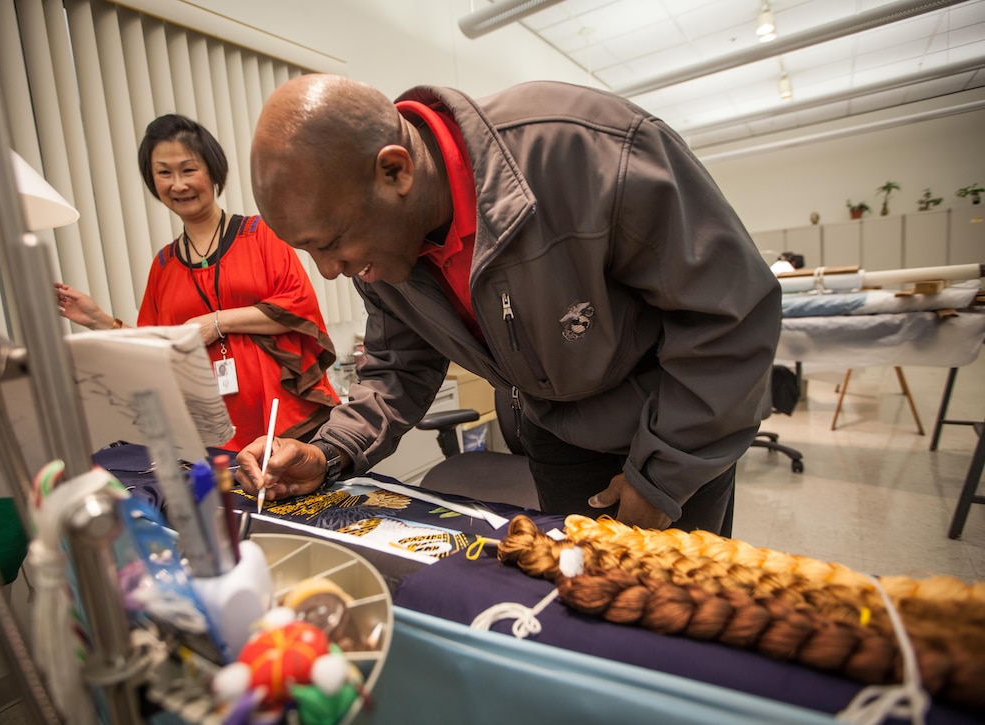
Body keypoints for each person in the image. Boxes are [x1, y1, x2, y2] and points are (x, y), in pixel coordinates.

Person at [238, 75, 781, 535]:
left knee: (678, 624)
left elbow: (728, 317)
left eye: (329, 244)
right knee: (581, 609)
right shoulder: (379, 244)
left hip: (674, 425)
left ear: (396, 171)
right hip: (557, 437)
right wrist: (330, 451)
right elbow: (399, 366)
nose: (328, 270)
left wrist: (661, 475)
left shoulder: (586, 151)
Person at [57, 113, 339, 451]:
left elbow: (297, 306)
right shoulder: (164, 264)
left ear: (212, 171)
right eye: (164, 172)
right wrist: (96, 319)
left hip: (288, 417)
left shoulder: (260, 233)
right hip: (212, 430)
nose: (178, 184)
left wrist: (215, 323)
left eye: (188, 169)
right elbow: (154, 347)